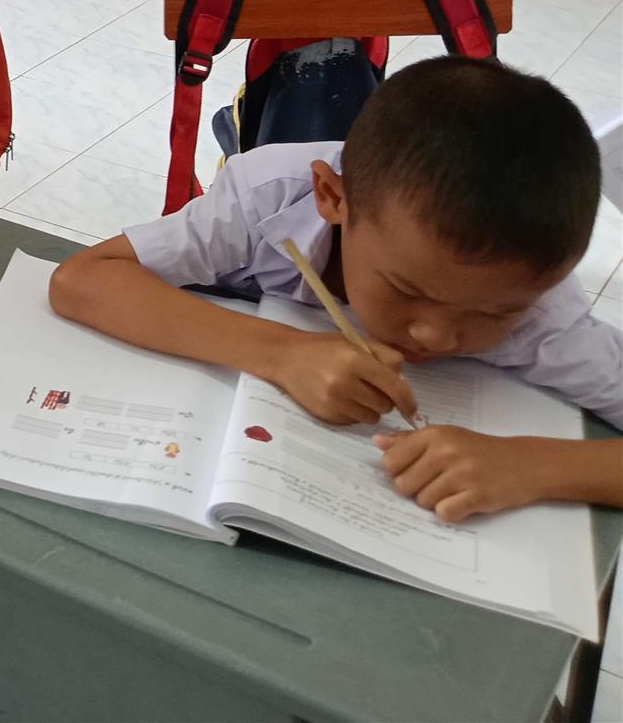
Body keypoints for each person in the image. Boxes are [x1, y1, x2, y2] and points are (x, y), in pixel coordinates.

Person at [48, 58, 622, 521]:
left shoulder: (545, 315)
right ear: (332, 197)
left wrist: (532, 466)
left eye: (495, 313)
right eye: (406, 289)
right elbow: (83, 279)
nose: (436, 335)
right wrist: (284, 354)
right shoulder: (270, 196)